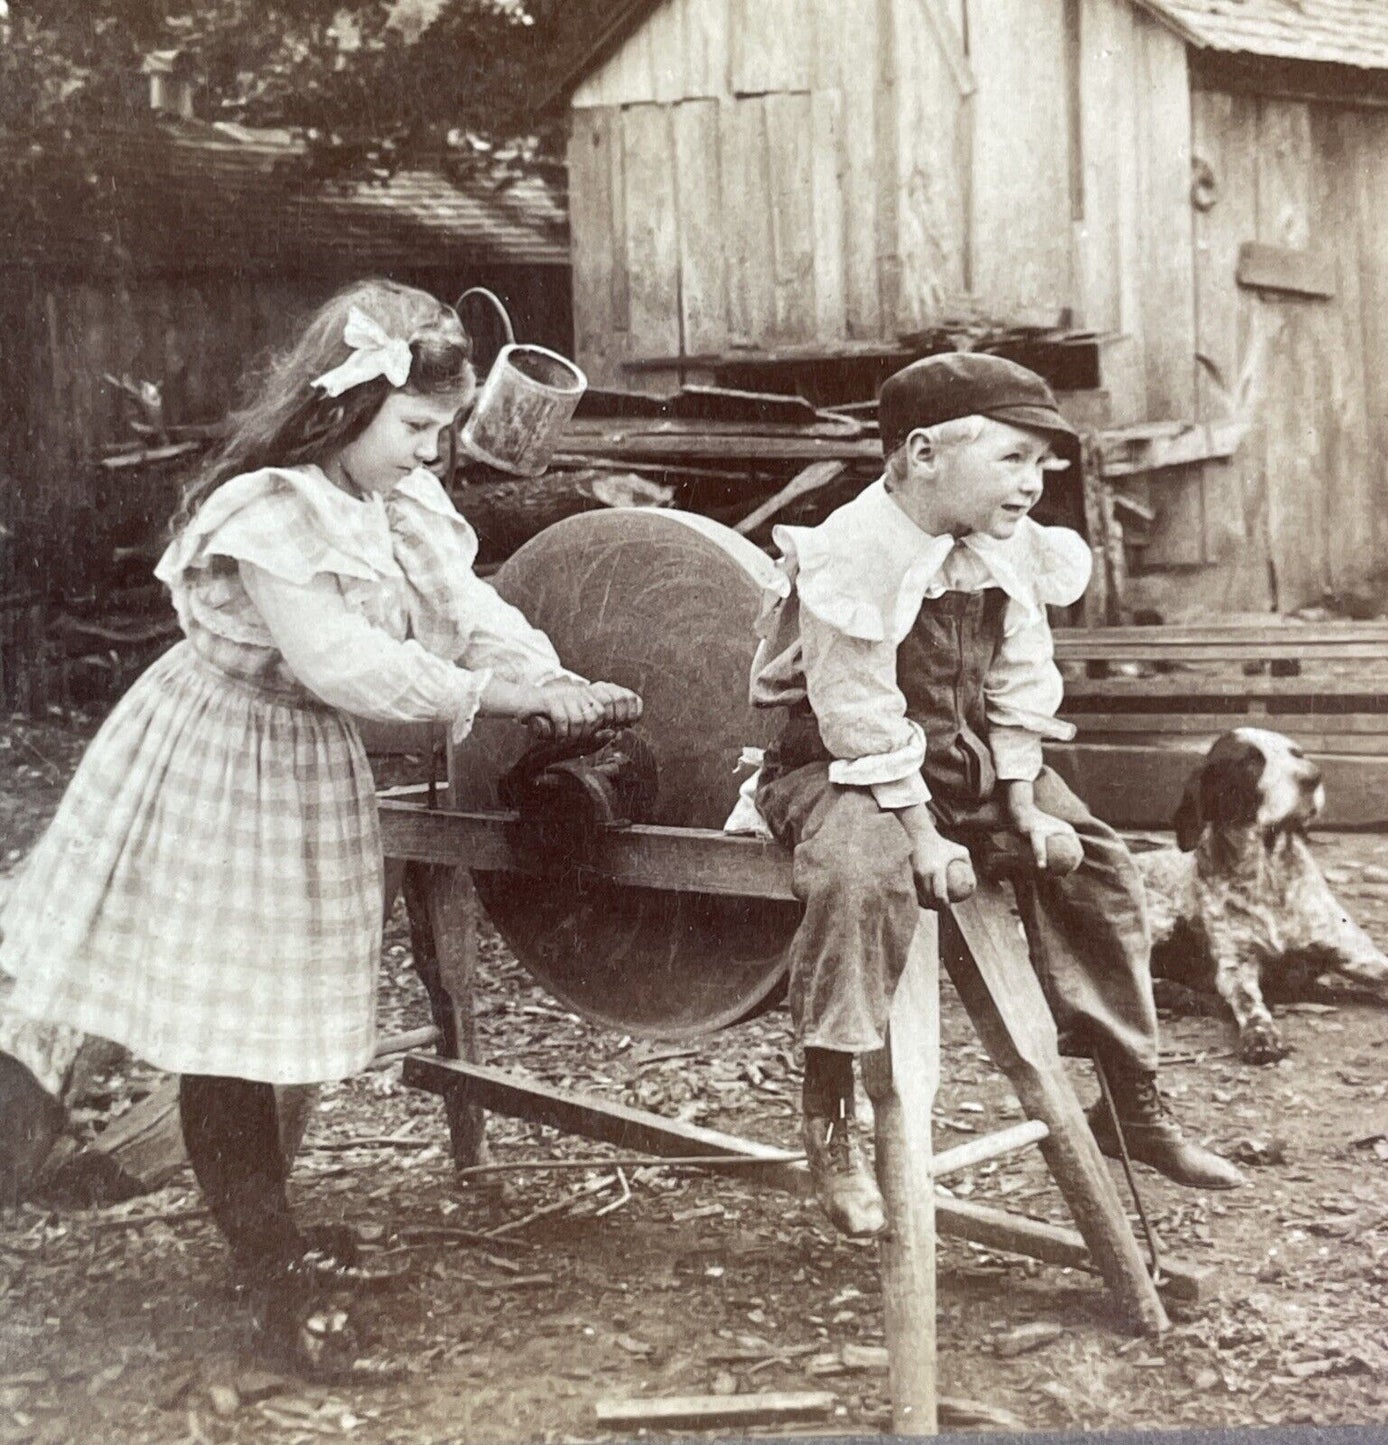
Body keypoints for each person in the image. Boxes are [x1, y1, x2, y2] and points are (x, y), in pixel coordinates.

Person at [0, 279, 641, 1374]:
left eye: (443, 430)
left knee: (255, 1022)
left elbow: (463, 607)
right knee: (197, 1024)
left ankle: (271, 1241)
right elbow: (339, 661)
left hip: (297, 765)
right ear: (344, 406)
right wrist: (503, 702)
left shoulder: (398, 502)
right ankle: (269, 1276)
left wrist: (550, 674)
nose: (432, 453)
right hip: (212, 755)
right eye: (416, 428)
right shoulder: (270, 508)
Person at [746, 352, 1242, 1237]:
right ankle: (829, 1118)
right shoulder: (851, 553)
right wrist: (924, 837)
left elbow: (1020, 673)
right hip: (838, 766)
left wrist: (1020, 798)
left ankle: (1129, 1096)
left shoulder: (1003, 547)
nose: (1034, 482)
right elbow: (857, 713)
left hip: (963, 761)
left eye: (1041, 462)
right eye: (1013, 458)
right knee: (860, 873)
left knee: (1097, 860)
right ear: (923, 453)